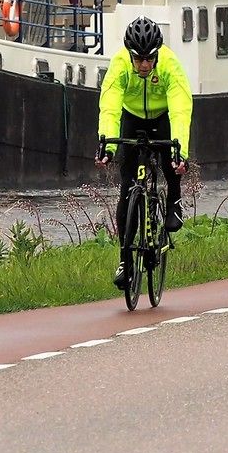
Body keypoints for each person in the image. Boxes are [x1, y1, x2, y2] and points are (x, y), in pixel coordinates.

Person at [96, 16, 192, 293]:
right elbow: (111, 107)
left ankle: (174, 201)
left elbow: (181, 111)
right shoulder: (120, 66)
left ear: (157, 53)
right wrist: (108, 147)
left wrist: (180, 152)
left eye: (150, 59)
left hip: (163, 116)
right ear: (130, 54)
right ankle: (125, 262)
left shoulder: (171, 66)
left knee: (169, 160)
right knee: (128, 186)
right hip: (132, 117)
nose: (145, 65)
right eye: (139, 59)